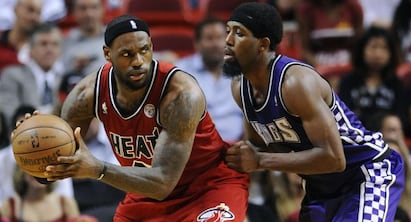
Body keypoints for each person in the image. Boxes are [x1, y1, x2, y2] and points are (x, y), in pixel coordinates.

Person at [15, 15, 249, 221]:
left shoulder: (181, 94)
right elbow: (52, 172)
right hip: (145, 192)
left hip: (207, 187)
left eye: (144, 50)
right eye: (127, 54)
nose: (138, 61)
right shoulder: (86, 95)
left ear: (151, 47)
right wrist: (35, 144)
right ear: (108, 54)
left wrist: (98, 169)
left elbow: (163, 182)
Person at [223, 2, 404, 221]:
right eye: (228, 31)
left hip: (364, 172)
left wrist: (259, 160)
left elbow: (335, 159)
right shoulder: (239, 88)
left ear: (262, 44)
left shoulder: (295, 83)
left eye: (239, 33)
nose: (228, 41)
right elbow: (260, 146)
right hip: (320, 185)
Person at [175, 17, 244, 143]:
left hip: (237, 146)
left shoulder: (241, 71)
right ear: (197, 43)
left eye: (220, 38)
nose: (216, 44)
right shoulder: (181, 71)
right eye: (209, 38)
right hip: (197, 147)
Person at [338, 26, 409, 134]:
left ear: (391, 53)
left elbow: (402, 120)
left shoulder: (396, 84)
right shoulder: (348, 82)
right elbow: (343, 117)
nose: (378, 54)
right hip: (356, 137)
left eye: (384, 48)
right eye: (373, 47)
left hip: (388, 138)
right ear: (362, 50)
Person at [0, 22, 63, 130]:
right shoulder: (12, 75)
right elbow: (9, 113)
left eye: (54, 44)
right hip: (22, 139)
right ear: (31, 48)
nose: (49, 49)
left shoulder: (66, 79)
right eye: (43, 44)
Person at [0, 165, 82, 222]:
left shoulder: (65, 203)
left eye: (43, 168)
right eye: (32, 169)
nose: (38, 173)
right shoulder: (9, 206)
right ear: (21, 173)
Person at [0, 0, 42, 72]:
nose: (34, 17)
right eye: (30, 10)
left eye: (38, 13)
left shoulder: (41, 50)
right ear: (16, 9)